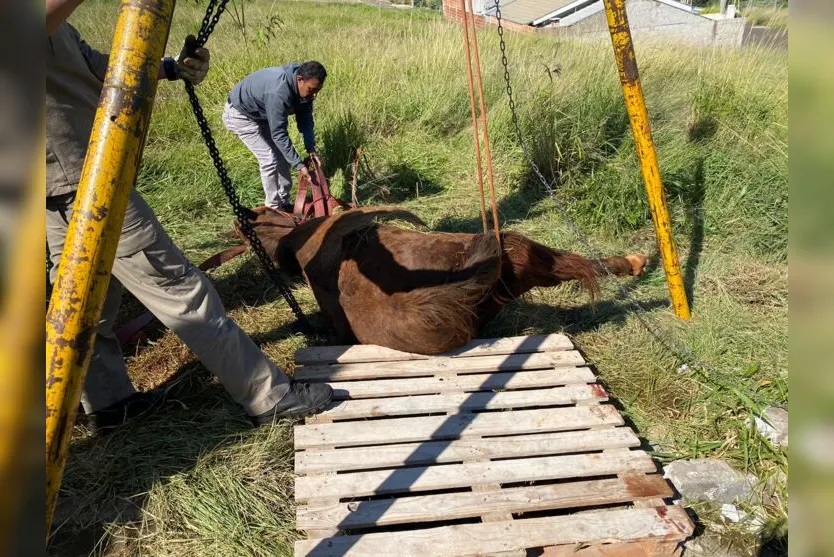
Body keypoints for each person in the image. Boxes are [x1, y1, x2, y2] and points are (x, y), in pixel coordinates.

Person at [46, 0, 333, 430]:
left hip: (67, 174)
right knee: (179, 287)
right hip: (79, 182)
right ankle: (267, 396)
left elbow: (95, 64)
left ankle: (108, 403)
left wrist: (167, 68)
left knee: (90, 299)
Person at [223, 62, 326, 212]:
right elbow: (278, 133)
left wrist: (310, 148)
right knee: (269, 159)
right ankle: (273, 208)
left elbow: (305, 120)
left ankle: (283, 202)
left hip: (263, 115)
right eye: (311, 90)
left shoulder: (306, 92)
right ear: (299, 79)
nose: (314, 95)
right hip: (240, 115)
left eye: (318, 90)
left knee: (284, 158)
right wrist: (299, 165)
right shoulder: (278, 91)